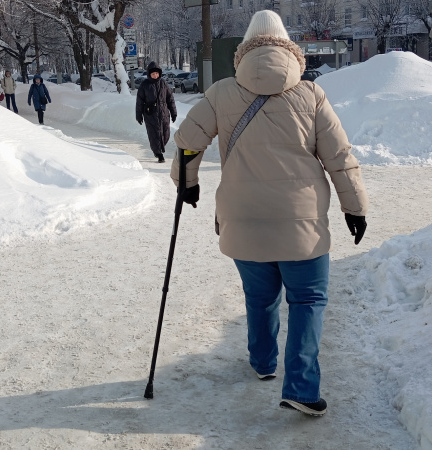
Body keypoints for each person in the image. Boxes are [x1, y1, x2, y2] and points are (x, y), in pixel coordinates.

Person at [171, 10, 368, 417]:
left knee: (259, 298)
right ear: (290, 50)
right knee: (308, 300)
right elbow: (339, 157)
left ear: (244, 51)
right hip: (303, 225)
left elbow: (188, 142)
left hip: (242, 220)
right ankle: (301, 388)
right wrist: (355, 207)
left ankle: (263, 363)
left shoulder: (222, 93)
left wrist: (187, 182)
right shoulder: (311, 94)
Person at [136, 61, 177, 163]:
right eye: (153, 73)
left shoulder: (163, 83)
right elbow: (139, 101)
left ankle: (160, 148)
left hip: (164, 113)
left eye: (157, 73)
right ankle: (158, 154)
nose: (155, 75)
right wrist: (139, 115)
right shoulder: (144, 85)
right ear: (149, 74)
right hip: (150, 114)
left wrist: (173, 112)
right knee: (154, 134)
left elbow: (170, 99)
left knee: (165, 134)